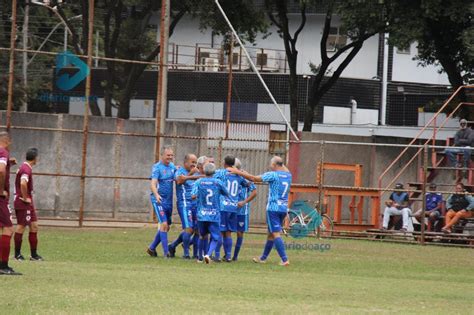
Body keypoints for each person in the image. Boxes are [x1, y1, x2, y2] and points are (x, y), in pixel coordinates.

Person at [229, 156, 292, 266]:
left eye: (271, 164)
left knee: (276, 234)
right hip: (283, 208)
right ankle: (263, 258)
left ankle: (284, 259)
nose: (269, 166)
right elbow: (284, 168)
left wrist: (238, 172)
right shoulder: (288, 175)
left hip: (273, 209)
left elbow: (254, 179)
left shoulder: (273, 175)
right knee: (270, 234)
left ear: (274, 165)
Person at [214, 155, 249, 262]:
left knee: (220, 231)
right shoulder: (238, 175)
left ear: (224, 162)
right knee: (228, 232)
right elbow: (247, 184)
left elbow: (210, 175)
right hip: (233, 207)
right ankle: (228, 256)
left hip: (223, 206)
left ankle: (217, 255)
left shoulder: (221, 173)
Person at [191, 163, 228, 264]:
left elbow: (193, 195)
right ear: (214, 172)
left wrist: (200, 195)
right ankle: (208, 254)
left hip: (202, 213)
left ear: (203, 170)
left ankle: (199, 257)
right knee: (215, 237)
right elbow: (226, 193)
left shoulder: (199, 182)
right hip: (214, 214)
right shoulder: (218, 182)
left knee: (202, 235)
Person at [168, 154, 201, 259]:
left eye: (195, 162)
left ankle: (173, 246)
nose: (194, 165)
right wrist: (191, 173)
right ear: (185, 162)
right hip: (184, 203)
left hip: (195, 203)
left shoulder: (197, 173)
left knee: (197, 229)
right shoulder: (179, 171)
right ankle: (186, 254)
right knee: (188, 228)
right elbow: (179, 181)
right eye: (192, 162)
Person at [14, 148, 43, 261]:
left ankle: (34, 255)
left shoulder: (25, 167)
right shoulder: (26, 169)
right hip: (23, 202)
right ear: (35, 158)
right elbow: (23, 183)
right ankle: (17, 255)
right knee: (21, 226)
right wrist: (25, 198)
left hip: (28, 203)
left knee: (34, 225)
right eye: (37, 157)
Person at [147, 147, 176, 257]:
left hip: (168, 201)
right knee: (163, 224)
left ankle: (152, 248)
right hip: (158, 200)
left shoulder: (172, 167)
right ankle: (166, 253)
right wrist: (156, 195)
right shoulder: (157, 167)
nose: (170, 157)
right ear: (162, 155)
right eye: (168, 155)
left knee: (167, 227)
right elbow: (153, 183)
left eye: (171, 155)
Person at [0, 132, 21, 275]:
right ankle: (3, 266)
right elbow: (1, 171)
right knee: (8, 229)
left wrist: (9, 164)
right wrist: (1, 190)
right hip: (0, 197)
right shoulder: (3, 152)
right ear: (7, 141)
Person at [233, 158, 257, 261]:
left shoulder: (245, 177)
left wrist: (244, 202)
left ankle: (235, 256)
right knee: (224, 231)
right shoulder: (228, 176)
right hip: (229, 208)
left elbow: (254, 192)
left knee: (239, 232)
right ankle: (226, 254)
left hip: (242, 210)